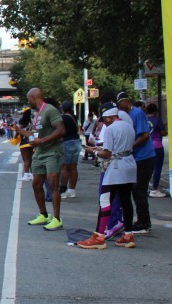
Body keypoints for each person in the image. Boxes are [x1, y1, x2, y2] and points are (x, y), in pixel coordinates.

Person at [77, 104, 137, 249]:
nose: (104, 122)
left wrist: (93, 151)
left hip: (116, 167)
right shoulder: (128, 126)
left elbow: (107, 153)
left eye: (104, 119)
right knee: (126, 200)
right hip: (129, 164)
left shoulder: (111, 129)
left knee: (105, 200)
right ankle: (128, 235)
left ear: (109, 117)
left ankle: (99, 237)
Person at [13, 88, 64, 231]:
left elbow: (61, 130)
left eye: (28, 98)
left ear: (34, 97)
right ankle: (43, 214)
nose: (28, 101)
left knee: (53, 184)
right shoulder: (38, 114)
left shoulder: (50, 110)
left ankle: (57, 219)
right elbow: (35, 134)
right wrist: (18, 130)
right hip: (39, 153)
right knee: (36, 184)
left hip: (52, 152)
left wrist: (42, 141)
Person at [115, 92, 154, 233]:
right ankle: (140, 220)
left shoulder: (137, 113)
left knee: (139, 190)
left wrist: (130, 146)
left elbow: (145, 135)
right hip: (135, 157)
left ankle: (144, 223)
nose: (120, 108)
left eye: (120, 104)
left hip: (144, 157)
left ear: (126, 102)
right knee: (133, 189)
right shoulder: (126, 115)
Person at [59, 100, 82, 199]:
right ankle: (72, 190)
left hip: (67, 142)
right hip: (76, 141)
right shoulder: (74, 117)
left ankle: (63, 190)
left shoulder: (63, 118)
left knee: (65, 167)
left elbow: (62, 131)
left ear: (63, 108)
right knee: (73, 167)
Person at [146, 103, 167, 197]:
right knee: (157, 168)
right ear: (155, 111)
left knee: (148, 168)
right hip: (157, 146)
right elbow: (163, 133)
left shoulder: (145, 120)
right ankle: (154, 189)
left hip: (147, 146)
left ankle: (146, 188)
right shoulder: (157, 120)